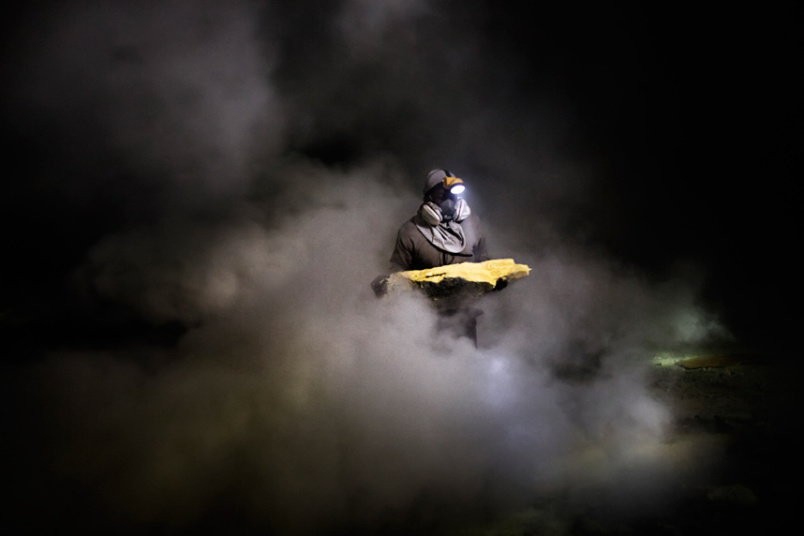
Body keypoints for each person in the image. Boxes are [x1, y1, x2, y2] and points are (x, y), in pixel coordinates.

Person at [373, 168, 492, 346]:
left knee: (465, 369)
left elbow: (485, 264)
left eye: (454, 196)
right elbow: (396, 274)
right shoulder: (411, 231)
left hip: (464, 319)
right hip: (425, 322)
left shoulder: (472, 225)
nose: (450, 202)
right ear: (429, 198)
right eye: (443, 195)